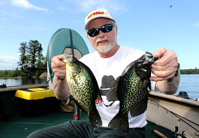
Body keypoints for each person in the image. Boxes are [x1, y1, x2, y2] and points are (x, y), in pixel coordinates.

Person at [27, 8, 180, 138]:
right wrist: (60, 76)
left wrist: (171, 71)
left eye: (106, 28)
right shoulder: (83, 63)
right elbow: (61, 96)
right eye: (93, 32)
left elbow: (168, 89)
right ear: (88, 37)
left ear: (116, 29)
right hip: (91, 124)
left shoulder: (138, 58)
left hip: (129, 128)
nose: (100, 34)